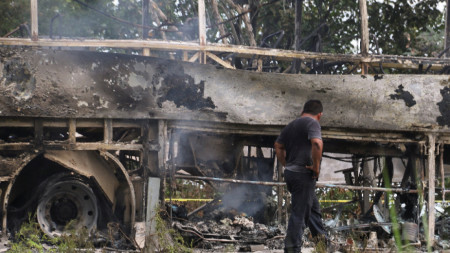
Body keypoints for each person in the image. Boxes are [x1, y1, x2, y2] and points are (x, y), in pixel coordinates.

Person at [274, 99, 327, 253]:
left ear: (302, 111)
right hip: (303, 175)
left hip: (291, 174)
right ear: (319, 115)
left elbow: (278, 146)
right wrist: (316, 167)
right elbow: (317, 143)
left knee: (313, 211)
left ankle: (322, 245)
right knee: (300, 214)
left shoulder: (291, 126)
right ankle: (291, 249)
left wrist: (286, 164)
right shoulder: (312, 123)